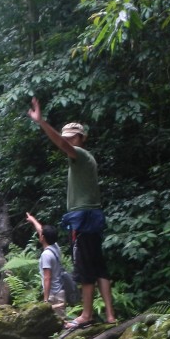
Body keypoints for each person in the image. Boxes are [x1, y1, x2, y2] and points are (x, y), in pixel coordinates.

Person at [28, 97, 116, 327]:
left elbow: (62, 145)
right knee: (99, 267)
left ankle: (86, 316)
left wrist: (42, 122)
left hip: (83, 219)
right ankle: (109, 315)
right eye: (67, 138)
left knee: (85, 267)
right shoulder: (84, 159)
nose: (67, 142)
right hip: (92, 216)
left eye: (71, 138)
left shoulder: (80, 155)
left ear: (81, 138)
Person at [24, 212, 77, 317]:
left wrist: (45, 300)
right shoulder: (55, 246)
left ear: (43, 237)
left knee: (59, 324)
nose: (39, 233)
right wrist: (32, 219)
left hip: (54, 295)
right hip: (60, 290)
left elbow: (47, 278)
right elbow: (41, 230)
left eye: (41, 234)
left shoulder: (46, 255)